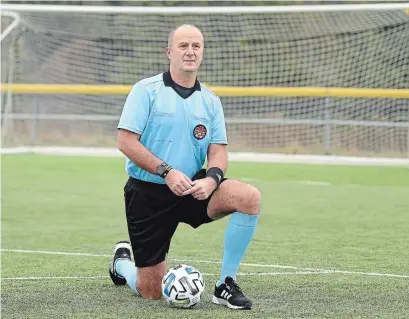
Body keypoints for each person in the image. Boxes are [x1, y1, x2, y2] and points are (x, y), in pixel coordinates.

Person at [109, 24, 262, 310]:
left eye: (196, 46)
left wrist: (212, 180)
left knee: (249, 197)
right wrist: (166, 171)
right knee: (151, 290)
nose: (190, 51)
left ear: (202, 52)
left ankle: (225, 284)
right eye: (183, 46)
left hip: (193, 188)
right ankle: (122, 264)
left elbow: (217, 151)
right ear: (169, 52)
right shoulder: (146, 91)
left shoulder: (211, 101)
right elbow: (126, 141)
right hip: (148, 194)